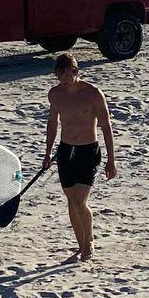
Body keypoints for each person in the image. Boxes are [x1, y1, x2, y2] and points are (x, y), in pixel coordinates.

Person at [42, 53, 116, 261]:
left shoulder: (93, 94)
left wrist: (111, 160)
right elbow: (53, 123)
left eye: (69, 75)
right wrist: (48, 152)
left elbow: (106, 126)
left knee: (79, 201)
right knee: (71, 201)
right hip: (66, 151)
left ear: (76, 72)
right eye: (61, 76)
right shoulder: (55, 94)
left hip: (87, 151)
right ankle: (81, 245)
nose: (65, 81)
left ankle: (89, 241)